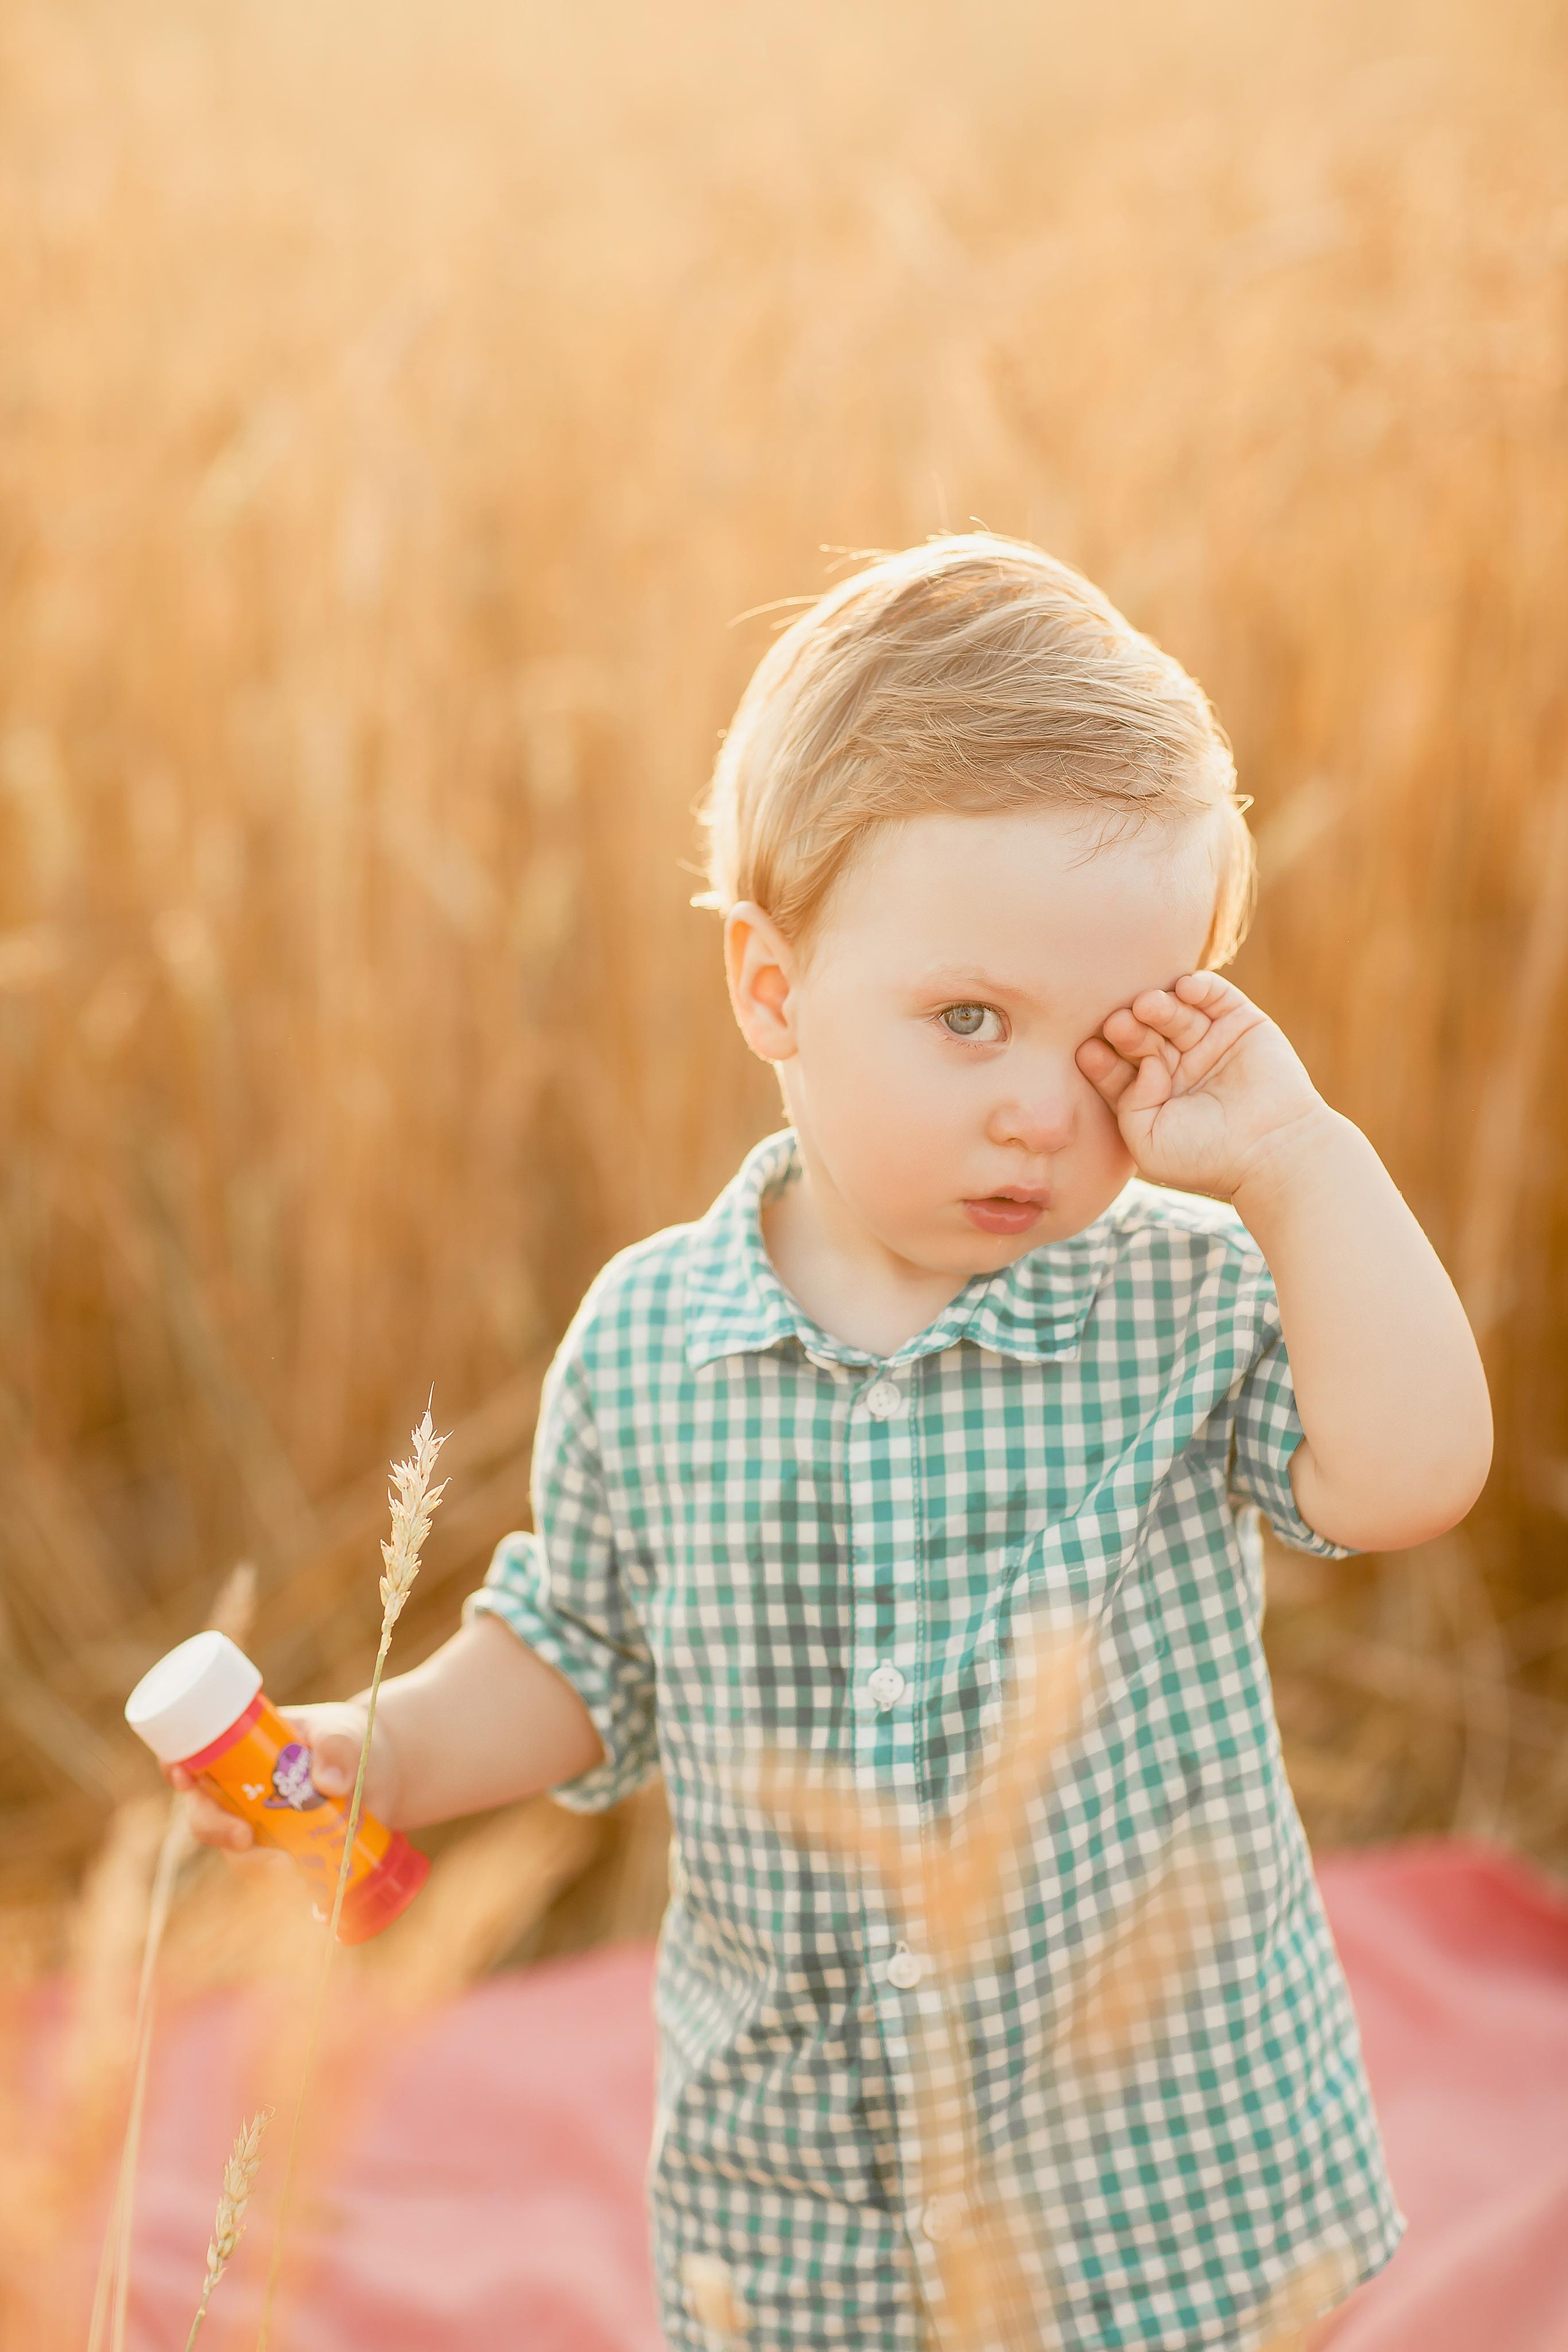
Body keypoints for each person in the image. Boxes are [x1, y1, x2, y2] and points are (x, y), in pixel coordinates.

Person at [175, 535, 1493, 2351]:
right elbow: (578, 1658)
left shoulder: (1184, 1295)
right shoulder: (651, 1340)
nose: (1044, 1102)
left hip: (1167, 2183)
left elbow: (1412, 1475)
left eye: (1113, 1042)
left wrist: (1301, 1162)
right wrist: (374, 1756)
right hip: (804, 2208)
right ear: (774, 991)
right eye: (968, 1021)